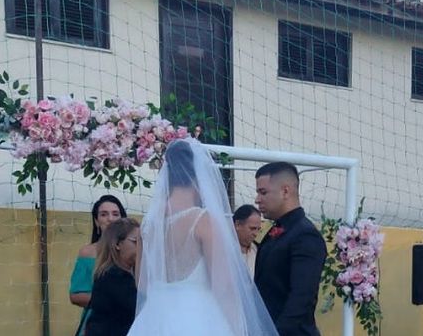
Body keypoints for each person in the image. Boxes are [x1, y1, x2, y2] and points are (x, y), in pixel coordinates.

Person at [128, 139, 277, 336]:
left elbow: (142, 283)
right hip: (198, 319)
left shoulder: (148, 225)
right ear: (198, 177)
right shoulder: (203, 221)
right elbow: (223, 288)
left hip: (153, 320)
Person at [254, 162, 327, 336]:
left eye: (263, 192)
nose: (257, 199)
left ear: (285, 191)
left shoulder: (305, 235)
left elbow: (301, 299)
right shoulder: (277, 230)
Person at [70, 195, 128, 335]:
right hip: (98, 326)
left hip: (130, 323)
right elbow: (76, 295)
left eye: (116, 214)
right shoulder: (88, 252)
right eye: (104, 214)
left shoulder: (135, 251)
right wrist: (112, 301)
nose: (110, 218)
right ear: (96, 221)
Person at [84, 218, 140, 336]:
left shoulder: (121, 274)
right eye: (136, 242)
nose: (141, 247)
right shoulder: (113, 276)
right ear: (117, 244)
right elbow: (140, 306)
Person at [233, 204, 262, 278]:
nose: (256, 234)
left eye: (258, 229)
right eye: (252, 228)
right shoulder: (223, 250)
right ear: (238, 225)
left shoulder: (257, 249)